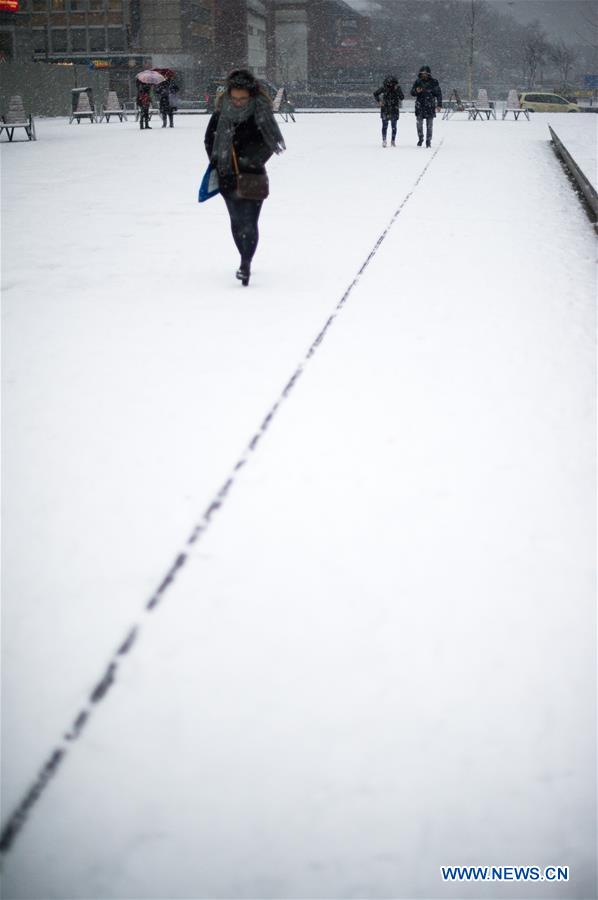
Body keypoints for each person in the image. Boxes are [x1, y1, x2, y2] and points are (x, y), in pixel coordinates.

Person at [204, 68, 286, 286]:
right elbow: (209, 140)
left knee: (250, 221)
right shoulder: (221, 112)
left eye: (243, 98)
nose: (238, 102)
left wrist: (251, 160)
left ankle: (245, 262)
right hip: (227, 174)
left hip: (253, 175)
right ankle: (244, 256)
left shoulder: (261, 112)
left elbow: (270, 142)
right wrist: (218, 159)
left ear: (251, 95)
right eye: (235, 98)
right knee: (236, 221)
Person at [410, 65, 442, 147]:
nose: (424, 75)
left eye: (425, 73)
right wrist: (416, 91)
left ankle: (428, 141)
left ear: (428, 73)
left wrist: (439, 105)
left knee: (429, 125)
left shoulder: (434, 82)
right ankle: (420, 138)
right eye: (422, 73)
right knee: (419, 125)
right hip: (420, 105)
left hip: (430, 106)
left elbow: (438, 94)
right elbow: (412, 92)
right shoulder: (418, 81)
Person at [373, 75, 405, 147]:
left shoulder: (397, 88)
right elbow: (375, 93)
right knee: (385, 125)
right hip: (385, 108)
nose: (391, 85)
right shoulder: (384, 88)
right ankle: (384, 140)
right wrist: (379, 101)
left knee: (394, 126)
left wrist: (397, 90)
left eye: (392, 83)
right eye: (389, 83)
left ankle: (393, 141)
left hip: (394, 108)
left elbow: (402, 97)